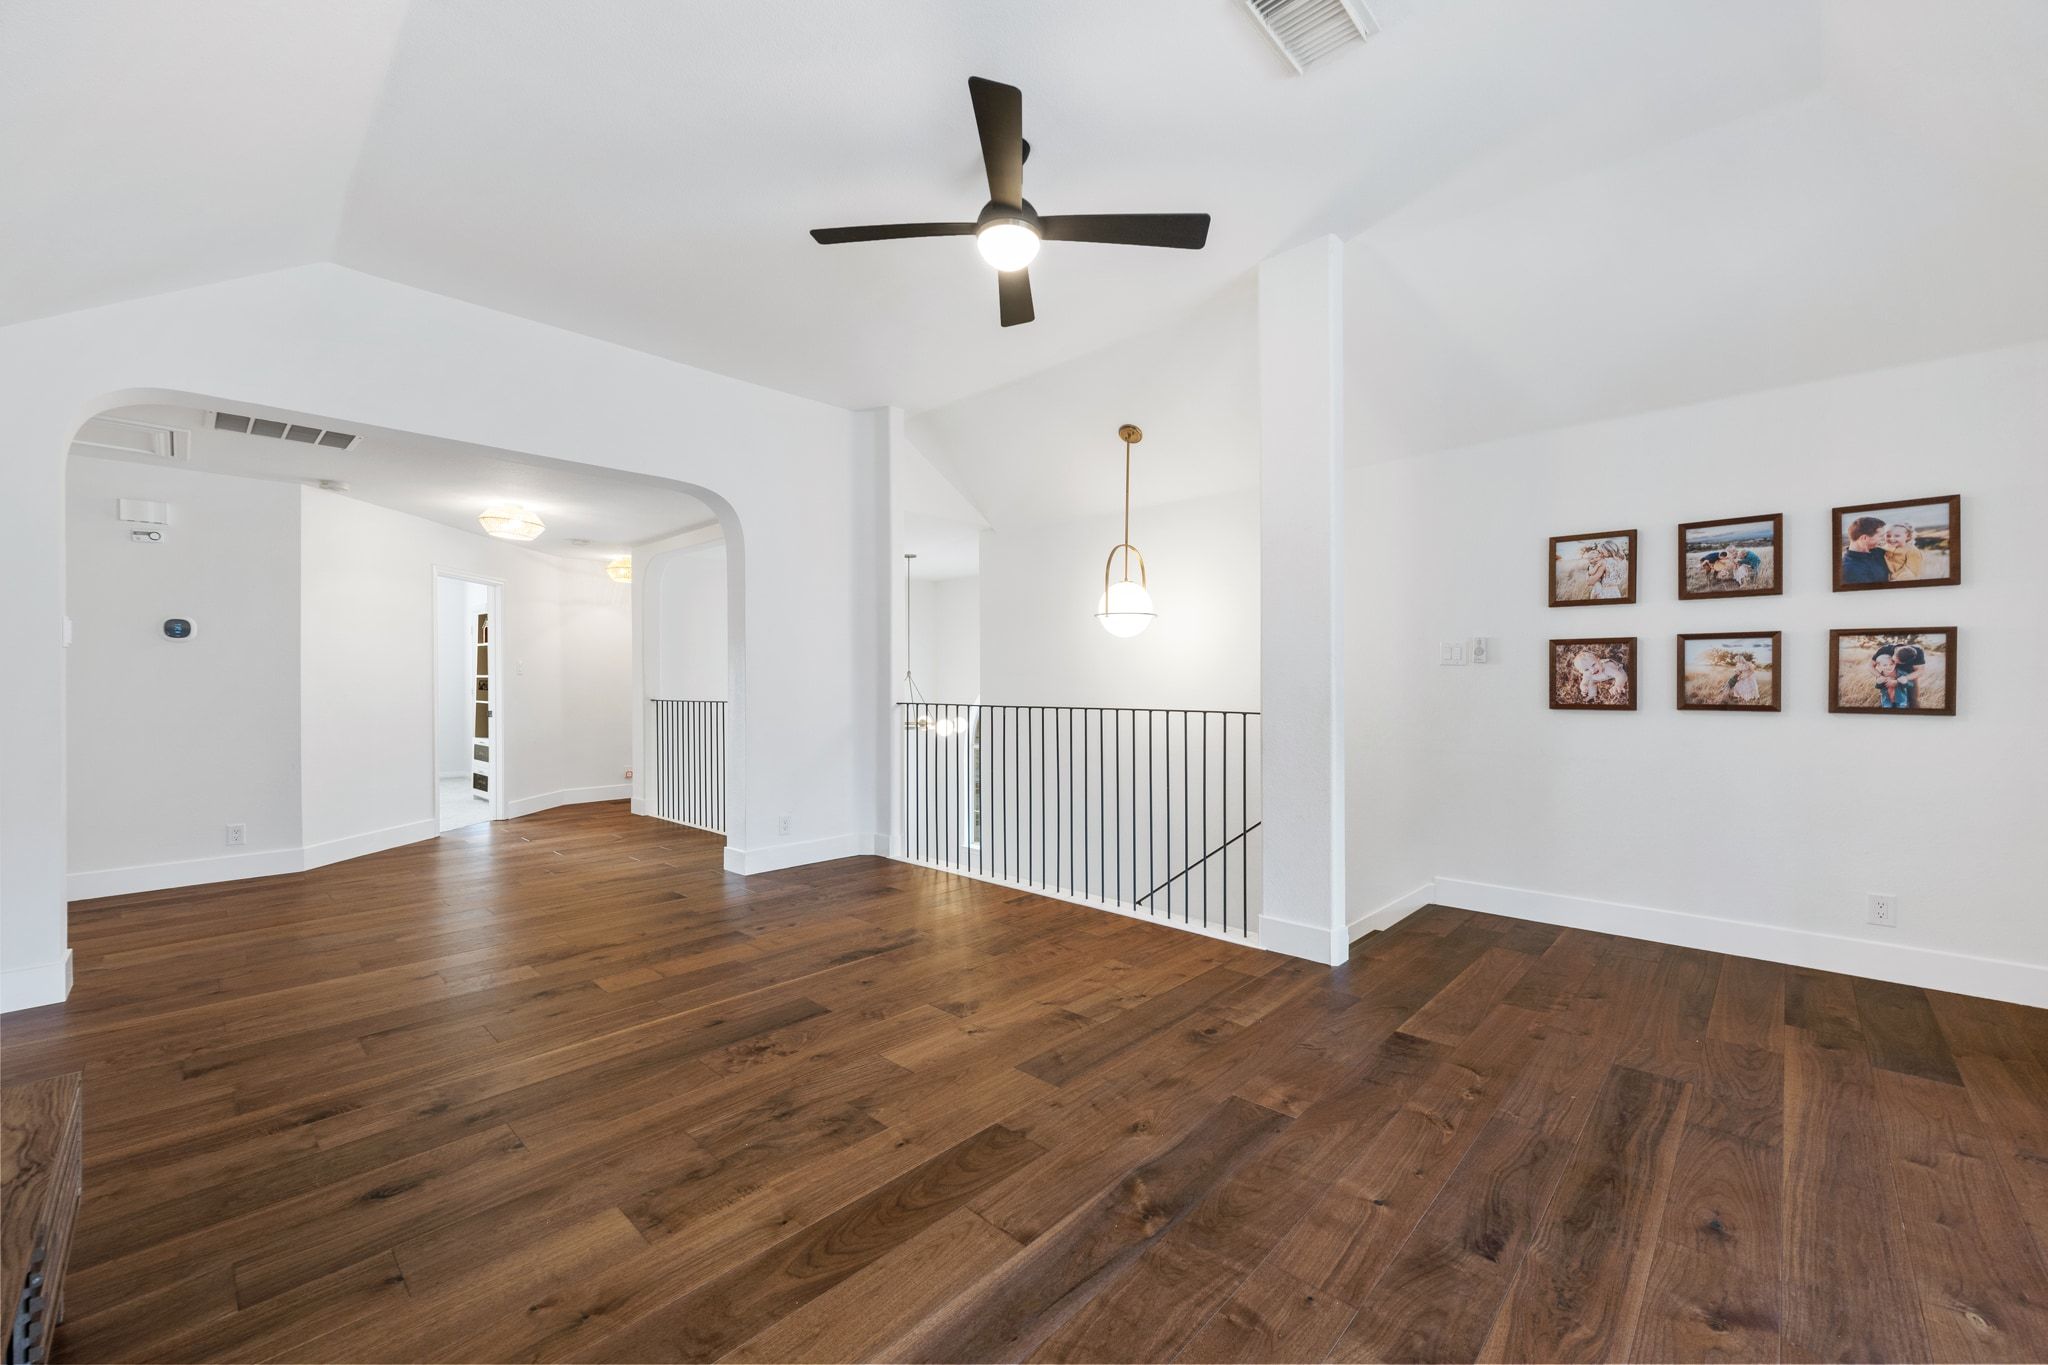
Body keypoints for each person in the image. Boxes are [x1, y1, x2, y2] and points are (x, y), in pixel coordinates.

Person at [1841, 515, 1889, 584]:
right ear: (1864, 538)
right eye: (1880, 536)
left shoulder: (1879, 552)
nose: (1883, 539)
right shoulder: (1849, 569)